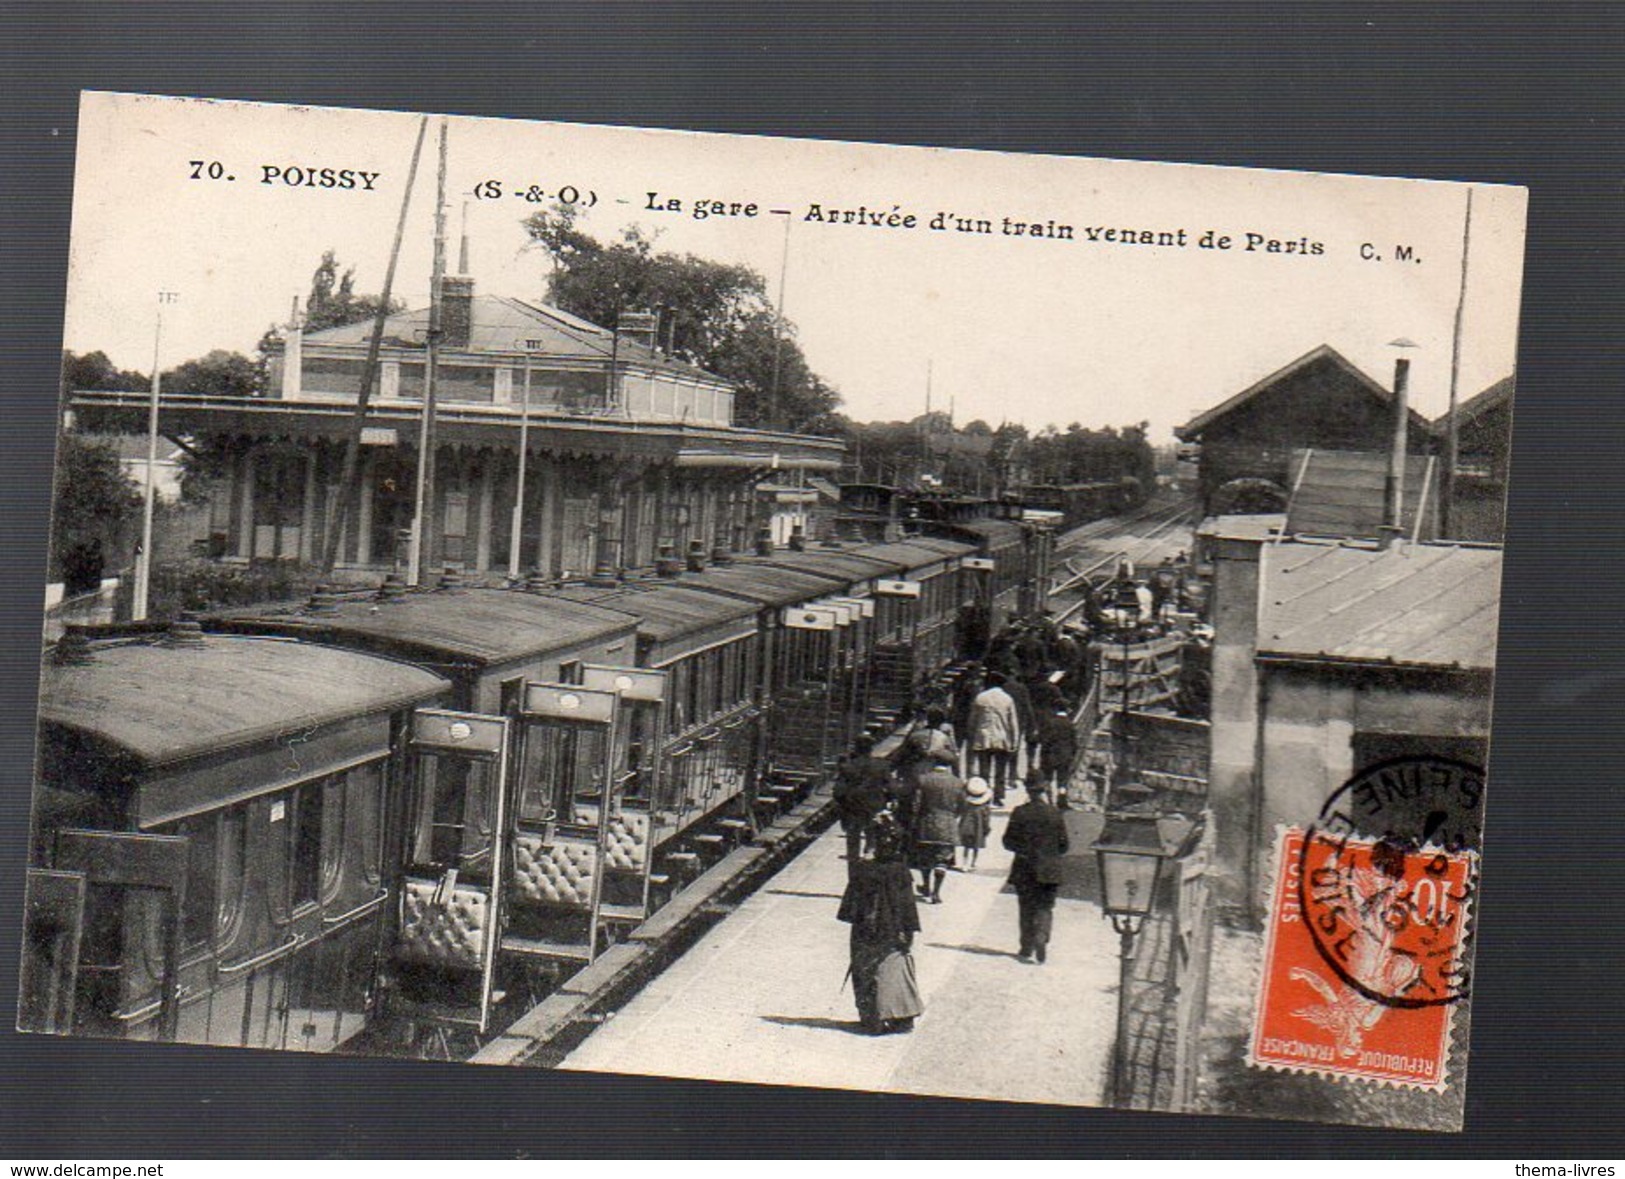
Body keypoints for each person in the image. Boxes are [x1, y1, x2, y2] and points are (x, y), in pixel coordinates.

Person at [837, 814, 923, 1035]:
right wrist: (909, 930)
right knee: (895, 969)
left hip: (866, 929)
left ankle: (872, 1017)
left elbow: (849, 908)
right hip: (894, 929)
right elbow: (908, 906)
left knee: (865, 971)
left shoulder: (863, 870)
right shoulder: (900, 870)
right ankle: (902, 1015)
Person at [1003, 778, 1071, 964]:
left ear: (1028, 791)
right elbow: (1064, 844)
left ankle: (1026, 947)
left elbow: (1007, 842)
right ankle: (1041, 936)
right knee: (1045, 907)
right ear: (1044, 791)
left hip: (1025, 868)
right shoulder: (1055, 814)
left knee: (1026, 907)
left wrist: (1023, 848)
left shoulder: (1019, 813)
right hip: (1049, 870)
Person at [910, 752, 965, 903]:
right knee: (942, 859)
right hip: (948, 823)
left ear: (934, 761)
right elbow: (962, 805)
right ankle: (936, 892)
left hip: (926, 822)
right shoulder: (957, 782)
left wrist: (915, 820)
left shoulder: (924, 779)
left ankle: (926, 886)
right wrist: (954, 816)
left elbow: (916, 803)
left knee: (926, 857)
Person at [833, 734, 893, 872]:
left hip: (852, 810)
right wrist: (886, 801)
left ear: (856, 748)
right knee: (872, 840)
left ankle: (853, 877)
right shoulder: (881, 765)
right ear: (871, 749)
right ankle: (868, 871)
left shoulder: (847, 767)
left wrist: (843, 805)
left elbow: (838, 791)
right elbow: (891, 788)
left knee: (852, 844)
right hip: (874, 809)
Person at [967, 672, 1021, 806]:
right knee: (1000, 771)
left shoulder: (981, 698)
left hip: (983, 738)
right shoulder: (1007, 699)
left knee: (984, 770)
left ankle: (984, 794)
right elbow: (1013, 722)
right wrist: (1015, 741)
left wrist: (971, 735)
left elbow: (972, 720)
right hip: (1002, 739)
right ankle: (998, 796)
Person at [958, 775, 993, 871]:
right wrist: (987, 828)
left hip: (966, 827)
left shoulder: (966, 805)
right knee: (975, 847)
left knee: (966, 846)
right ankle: (973, 863)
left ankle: (964, 863)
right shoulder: (984, 808)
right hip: (979, 828)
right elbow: (986, 820)